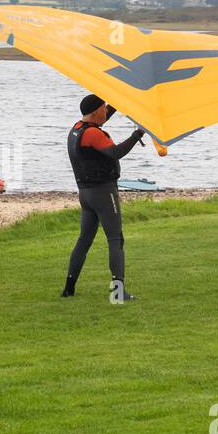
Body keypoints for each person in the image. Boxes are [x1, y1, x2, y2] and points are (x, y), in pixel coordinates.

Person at [61, 93, 145, 301]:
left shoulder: (78, 129)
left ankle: (69, 288)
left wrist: (121, 101)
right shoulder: (93, 134)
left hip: (86, 194)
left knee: (84, 240)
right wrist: (138, 134)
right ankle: (118, 293)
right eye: (105, 107)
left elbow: (103, 117)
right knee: (116, 240)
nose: (106, 111)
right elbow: (116, 152)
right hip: (103, 194)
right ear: (97, 110)